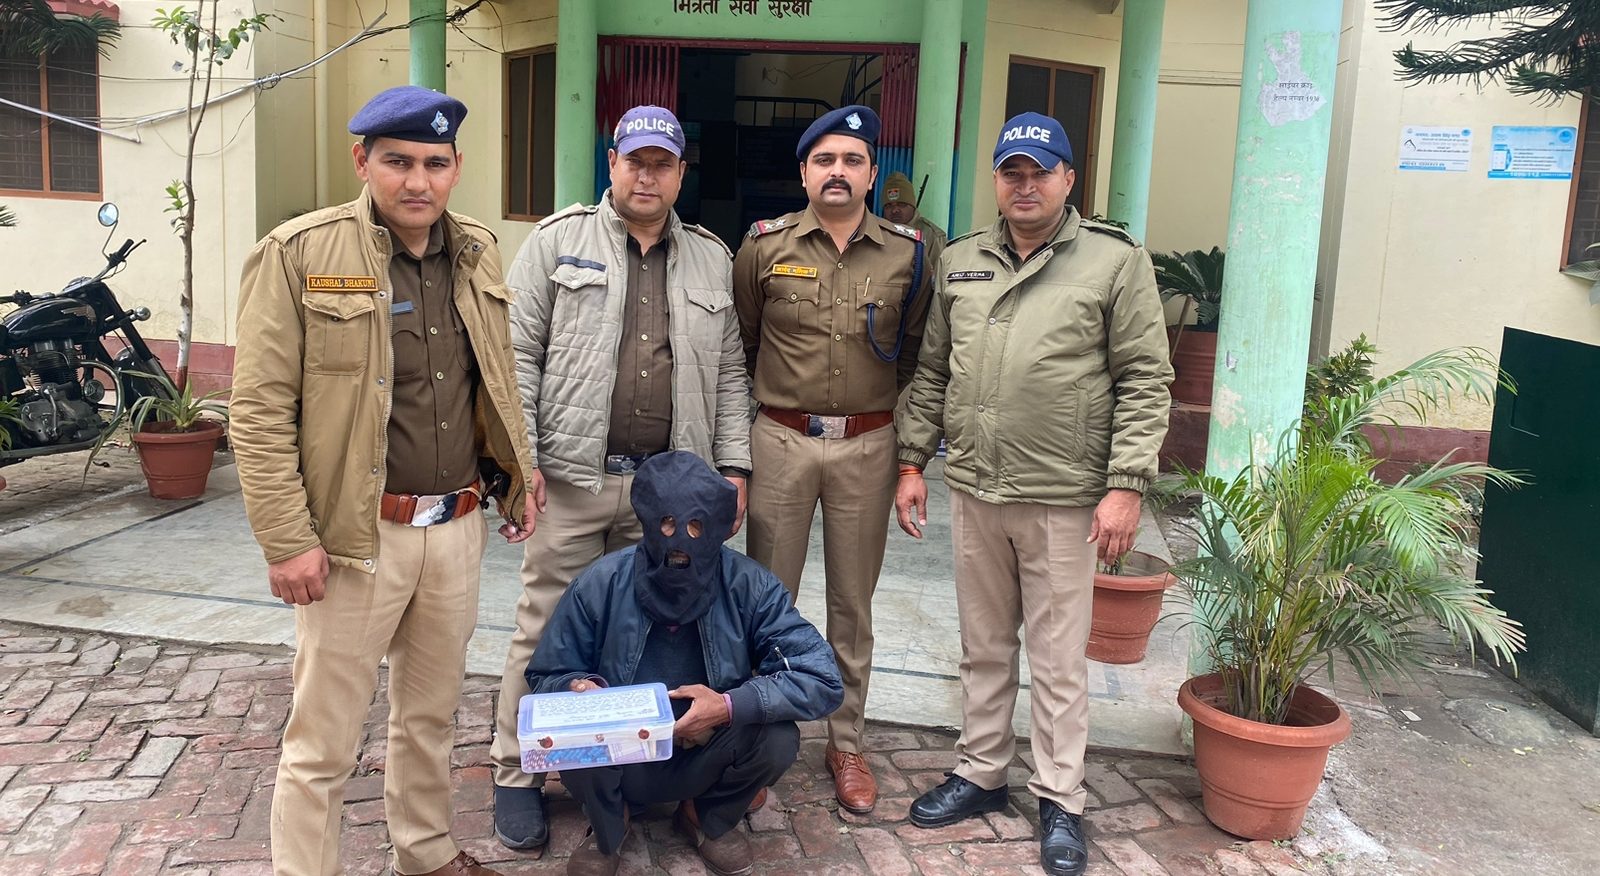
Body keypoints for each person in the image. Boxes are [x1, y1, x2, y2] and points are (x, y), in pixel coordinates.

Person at [231, 85, 538, 876]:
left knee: (430, 719)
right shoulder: (299, 253)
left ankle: (426, 854)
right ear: (361, 161)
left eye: (435, 164)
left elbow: (493, 377)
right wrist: (287, 539)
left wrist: (517, 472)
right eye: (398, 162)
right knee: (323, 740)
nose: (418, 181)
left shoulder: (476, 250)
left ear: (456, 167)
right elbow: (259, 412)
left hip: (455, 529)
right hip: (354, 541)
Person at [893, 112, 1173, 876]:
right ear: (996, 180)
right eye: (1011, 172)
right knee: (983, 646)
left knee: (1056, 659)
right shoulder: (962, 260)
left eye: (1040, 172)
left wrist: (1125, 486)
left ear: (1067, 179)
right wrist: (913, 461)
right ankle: (982, 770)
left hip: (1064, 496)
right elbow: (933, 369)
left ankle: (1059, 797)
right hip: (976, 488)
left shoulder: (1113, 261)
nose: (1025, 185)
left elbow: (1145, 378)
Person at [492, 104, 753, 849]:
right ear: (612, 163)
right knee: (544, 627)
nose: (647, 175)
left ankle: (628, 767)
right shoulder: (556, 242)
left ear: (680, 173)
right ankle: (516, 773)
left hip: (667, 495)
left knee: (652, 633)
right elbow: (516, 359)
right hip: (572, 480)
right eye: (635, 161)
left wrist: (733, 467)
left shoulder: (710, 257)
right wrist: (522, 463)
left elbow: (730, 373)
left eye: (662, 163)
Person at [732, 104, 933, 815]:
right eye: (824, 160)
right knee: (766, 599)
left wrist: (908, 455)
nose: (838, 172)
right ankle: (756, 742)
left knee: (852, 604)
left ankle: (846, 742)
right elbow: (743, 344)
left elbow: (915, 355)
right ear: (804, 173)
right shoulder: (763, 246)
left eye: (852, 160)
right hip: (781, 441)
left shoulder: (909, 254)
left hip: (868, 446)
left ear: (872, 173)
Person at [524, 451, 843, 876]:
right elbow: (547, 672)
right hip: (620, 753)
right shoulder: (600, 583)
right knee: (572, 736)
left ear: (717, 531)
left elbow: (821, 678)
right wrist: (580, 689)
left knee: (777, 738)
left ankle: (704, 816)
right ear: (647, 522)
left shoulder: (751, 587)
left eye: (696, 527)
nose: (680, 542)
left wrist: (728, 706)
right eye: (668, 525)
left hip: (706, 749)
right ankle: (609, 825)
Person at [879, 170, 948, 261]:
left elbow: (940, 269)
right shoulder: (877, 233)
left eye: (901, 204)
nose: (895, 210)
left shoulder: (933, 236)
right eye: (889, 206)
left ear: (912, 206)